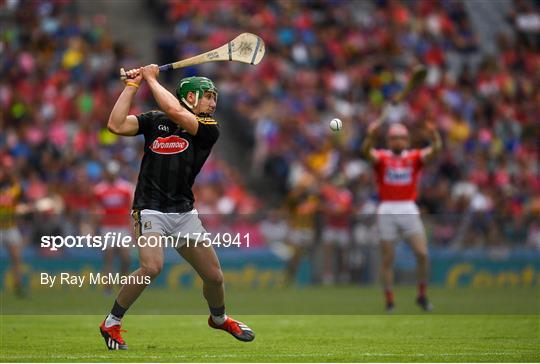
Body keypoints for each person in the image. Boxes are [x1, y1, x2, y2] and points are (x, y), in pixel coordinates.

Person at [99, 65, 254, 350]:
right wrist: (132, 87)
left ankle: (218, 319)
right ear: (191, 96)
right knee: (151, 266)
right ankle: (111, 322)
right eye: (207, 96)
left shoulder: (209, 128)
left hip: (183, 212)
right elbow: (116, 125)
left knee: (214, 277)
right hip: (150, 208)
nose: (213, 102)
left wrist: (150, 78)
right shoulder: (154, 121)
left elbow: (177, 112)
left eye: (214, 96)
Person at [362, 117, 442, 312]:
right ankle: (389, 301)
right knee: (388, 258)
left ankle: (421, 295)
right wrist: (370, 137)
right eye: (394, 138)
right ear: (389, 141)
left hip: (408, 208)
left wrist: (435, 137)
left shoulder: (414, 157)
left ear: (407, 140)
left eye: (401, 138)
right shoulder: (382, 157)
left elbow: (436, 150)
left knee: (422, 254)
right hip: (387, 210)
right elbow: (365, 152)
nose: (398, 141)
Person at [93, 160, 134, 294]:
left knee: (125, 258)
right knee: (108, 258)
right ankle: (108, 288)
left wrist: (133, 227)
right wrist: (95, 228)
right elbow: (95, 209)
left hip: (122, 227)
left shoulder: (126, 188)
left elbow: (131, 208)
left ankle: (123, 285)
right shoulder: (100, 189)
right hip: (107, 227)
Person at [0, 160, 25, 297]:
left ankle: (18, 285)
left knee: (16, 258)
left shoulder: (15, 188)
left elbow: (21, 202)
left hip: (10, 227)